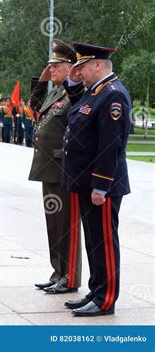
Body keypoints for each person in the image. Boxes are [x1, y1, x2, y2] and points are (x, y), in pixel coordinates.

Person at [62, 42, 131, 316]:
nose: (79, 72)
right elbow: (77, 104)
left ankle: (106, 299)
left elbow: (110, 145)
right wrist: (72, 78)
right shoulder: (96, 92)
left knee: (104, 241)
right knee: (93, 242)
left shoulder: (113, 96)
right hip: (86, 182)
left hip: (101, 185)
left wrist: (101, 184)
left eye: (82, 67)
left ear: (98, 65)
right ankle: (96, 290)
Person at [29, 39, 81, 295]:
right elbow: (33, 106)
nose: (51, 70)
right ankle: (58, 271)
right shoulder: (55, 91)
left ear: (71, 67)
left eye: (55, 65)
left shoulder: (75, 92)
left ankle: (70, 276)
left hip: (64, 167)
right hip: (48, 167)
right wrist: (41, 80)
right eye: (49, 66)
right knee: (53, 223)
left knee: (66, 224)